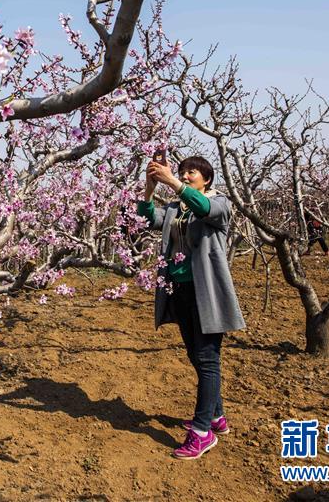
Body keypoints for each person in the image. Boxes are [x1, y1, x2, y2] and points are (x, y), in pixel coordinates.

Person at [139, 155, 245, 459]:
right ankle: (216, 417)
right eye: (183, 172)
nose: (185, 176)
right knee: (196, 355)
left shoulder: (218, 203)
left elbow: (204, 208)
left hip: (207, 293)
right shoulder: (175, 209)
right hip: (180, 291)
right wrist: (149, 188)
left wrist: (172, 181)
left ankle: (201, 432)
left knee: (207, 357)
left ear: (206, 180)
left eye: (191, 173)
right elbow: (148, 219)